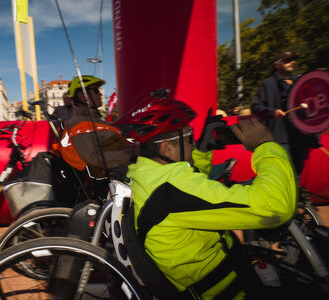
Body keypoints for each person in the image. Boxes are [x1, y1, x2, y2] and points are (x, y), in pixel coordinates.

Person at [123, 97, 296, 299]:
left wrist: (202, 152)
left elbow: (193, 194)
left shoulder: (144, 175)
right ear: (166, 148)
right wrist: (265, 145)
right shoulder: (171, 189)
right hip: (233, 291)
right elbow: (274, 206)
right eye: (189, 138)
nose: (193, 142)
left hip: (226, 274)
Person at [251, 51, 320, 174]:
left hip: (299, 139)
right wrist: (272, 112)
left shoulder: (300, 82)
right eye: (287, 60)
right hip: (280, 139)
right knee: (283, 176)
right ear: (277, 65)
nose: (292, 62)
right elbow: (256, 107)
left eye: (292, 60)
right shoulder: (267, 84)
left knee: (297, 176)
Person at [59, 75, 134, 178]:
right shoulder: (80, 123)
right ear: (83, 96)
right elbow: (93, 158)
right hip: (118, 177)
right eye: (96, 91)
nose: (100, 94)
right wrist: (132, 155)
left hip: (127, 167)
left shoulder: (94, 120)